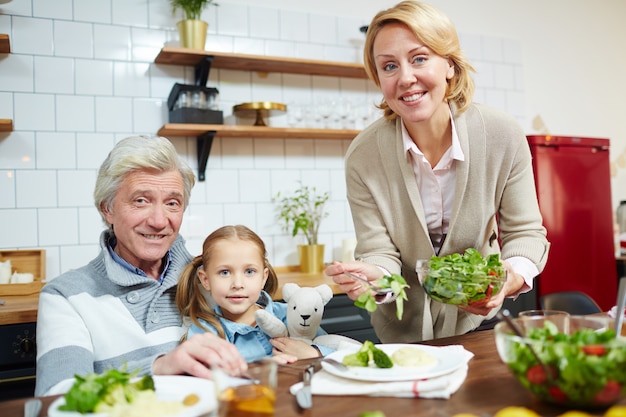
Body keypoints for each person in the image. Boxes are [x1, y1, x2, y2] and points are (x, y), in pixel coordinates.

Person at [325, 1, 550, 343]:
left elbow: (526, 234)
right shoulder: (363, 156)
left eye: (419, 58)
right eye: (389, 66)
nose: (405, 78)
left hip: (480, 323)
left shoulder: (501, 135)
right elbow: (378, 251)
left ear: (449, 64)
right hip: (403, 335)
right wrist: (375, 277)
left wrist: (508, 278)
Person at [35, 135, 247, 396]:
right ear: (108, 209)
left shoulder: (212, 279)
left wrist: (310, 347)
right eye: (141, 201)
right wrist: (157, 367)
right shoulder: (66, 296)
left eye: (172, 203)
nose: (159, 221)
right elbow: (56, 397)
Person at [176, 224, 331, 363]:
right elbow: (205, 382)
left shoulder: (291, 314)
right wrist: (264, 371)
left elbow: (341, 353)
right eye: (224, 272)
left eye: (249, 271)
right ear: (206, 280)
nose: (237, 284)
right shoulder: (205, 333)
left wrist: (315, 353)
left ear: (263, 277)